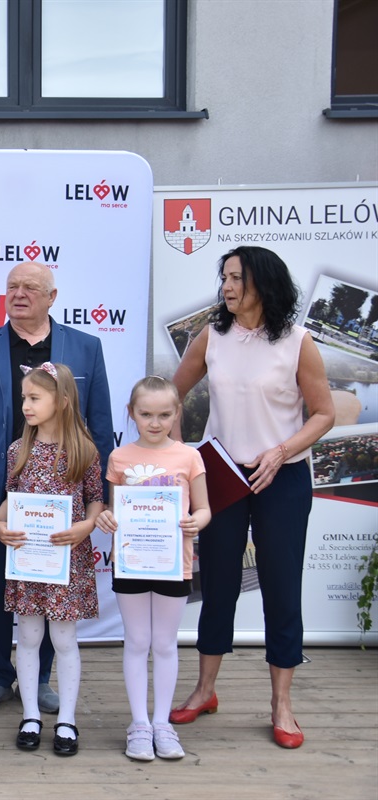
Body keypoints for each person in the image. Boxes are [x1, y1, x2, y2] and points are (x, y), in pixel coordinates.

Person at [169, 246, 333, 749]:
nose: (227, 286)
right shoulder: (212, 335)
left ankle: (282, 705)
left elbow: (324, 413)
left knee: (281, 587)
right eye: (224, 277)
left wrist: (281, 451)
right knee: (218, 585)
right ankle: (204, 690)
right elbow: (171, 396)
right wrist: (178, 456)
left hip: (282, 476)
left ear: (263, 282)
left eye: (237, 277)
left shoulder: (299, 341)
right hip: (221, 476)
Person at [0, 261, 114, 714]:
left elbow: (100, 424)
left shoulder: (87, 348)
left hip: (62, 497)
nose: (19, 294)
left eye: (31, 288)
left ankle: (38, 680)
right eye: (12, 286)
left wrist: (104, 498)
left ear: (52, 297)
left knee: (50, 589)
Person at [94, 376, 211, 761]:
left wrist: (196, 522)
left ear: (177, 413)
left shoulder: (189, 457)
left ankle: (162, 722)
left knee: (164, 642)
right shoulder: (118, 458)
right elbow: (112, 509)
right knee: (137, 641)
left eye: (164, 415)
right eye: (146, 414)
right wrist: (106, 518)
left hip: (173, 563)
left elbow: (203, 508)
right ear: (132, 413)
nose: (155, 423)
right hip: (131, 562)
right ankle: (139, 724)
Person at [0, 363, 104, 757]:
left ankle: (67, 719)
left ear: (63, 401)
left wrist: (87, 525)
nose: (26, 404)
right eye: (24, 397)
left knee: (64, 638)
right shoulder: (17, 450)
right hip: (28, 560)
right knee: (28, 637)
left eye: (35, 398)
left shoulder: (84, 450)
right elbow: (12, 499)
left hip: (66, 560)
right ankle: (30, 716)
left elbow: (95, 498)